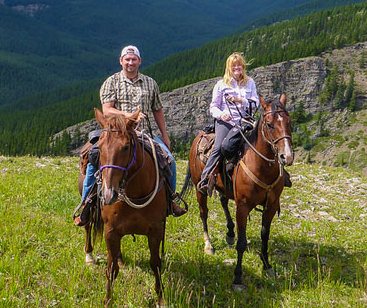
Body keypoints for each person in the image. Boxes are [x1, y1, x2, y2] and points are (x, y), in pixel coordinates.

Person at [74, 45, 186, 220]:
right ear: (121, 61)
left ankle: (170, 200)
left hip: (144, 133)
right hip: (116, 135)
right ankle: (86, 203)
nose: (130, 63)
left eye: (134, 59)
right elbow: (107, 110)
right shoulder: (111, 82)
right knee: (93, 159)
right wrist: (130, 116)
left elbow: (157, 110)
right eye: (127, 59)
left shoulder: (151, 83)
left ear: (139, 61)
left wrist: (165, 135)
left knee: (169, 160)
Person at [197, 52, 258, 195]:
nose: (237, 68)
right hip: (226, 122)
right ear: (228, 68)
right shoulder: (221, 84)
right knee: (219, 146)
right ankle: (205, 178)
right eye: (233, 66)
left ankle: (279, 175)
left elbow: (255, 104)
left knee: (265, 140)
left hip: (245, 121)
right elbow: (213, 107)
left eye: (239, 65)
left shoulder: (250, 83)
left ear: (243, 67)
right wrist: (221, 114)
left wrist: (239, 100)